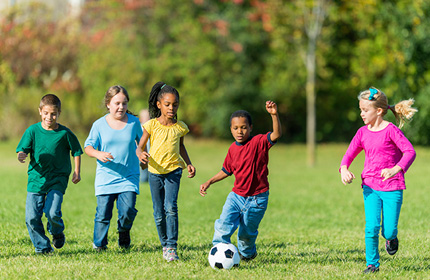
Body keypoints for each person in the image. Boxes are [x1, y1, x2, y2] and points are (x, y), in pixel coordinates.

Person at [339, 87, 417, 274]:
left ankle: (391, 238)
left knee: (388, 230)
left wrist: (396, 169)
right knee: (371, 227)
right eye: (361, 110)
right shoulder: (362, 133)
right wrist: (343, 169)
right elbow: (349, 155)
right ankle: (372, 264)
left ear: (379, 111)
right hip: (370, 187)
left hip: (392, 187)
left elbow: (410, 152)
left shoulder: (391, 130)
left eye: (365, 110)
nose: (361, 114)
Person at [199, 101, 282, 261]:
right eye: (235, 128)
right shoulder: (232, 148)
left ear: (250, 127)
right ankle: (219, 254)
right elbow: (227, 170)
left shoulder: (258, 142)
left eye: (243, 127)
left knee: (246, 235)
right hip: (236, 197)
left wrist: (274, 115)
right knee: (223, 225)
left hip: (257, 199)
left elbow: (276, 135)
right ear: (230, 129)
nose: (240, 131)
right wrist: (210, 181)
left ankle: (247, 255)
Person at [136, 81, 195, 262]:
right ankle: (164, 244)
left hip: (174, 172)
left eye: (175, 104)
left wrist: (189, 163)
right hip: (154, 172)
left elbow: (181, 147)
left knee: (170, 207)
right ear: (159, 104)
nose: (171, 108)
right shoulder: (151, 125)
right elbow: (140, 146)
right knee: (158, 212)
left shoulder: (180, 127)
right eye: (167, 104)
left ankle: (171, 246)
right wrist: (140, 154)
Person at [16, 94, 82, 254]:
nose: (49, 117)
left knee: (52, 212)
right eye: (46, 113)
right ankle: (43, 247)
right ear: (40, 111)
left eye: (53, 113)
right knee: (31, 218)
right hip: (36, 179)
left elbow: (77, 151)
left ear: (59, 113)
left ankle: (56, 231)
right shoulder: (32, 131)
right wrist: (21, 154)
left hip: (57, 179)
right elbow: (22, 149)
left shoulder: (64, 133)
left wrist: (77, 171)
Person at [85, 85, 143, 251]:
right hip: (106, 177)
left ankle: (123, 231)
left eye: (124, 103)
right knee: (103, 215)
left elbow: (141, 144)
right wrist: (98, 154)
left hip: (129, 176)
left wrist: (142, 155)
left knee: (128, 211)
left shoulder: (134, 123)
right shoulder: (99, 125)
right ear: (108, 104)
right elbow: (88, 147)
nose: (121, 107)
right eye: (117, 103)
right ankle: (99, 245)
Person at [139, 109, 150, 183]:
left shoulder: (152, 127)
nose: (147, 119)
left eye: (148, 117)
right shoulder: (139, 128)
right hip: (141, 152)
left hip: (150, 152)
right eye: (145, 117)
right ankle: (143, 179)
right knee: (142, 168)